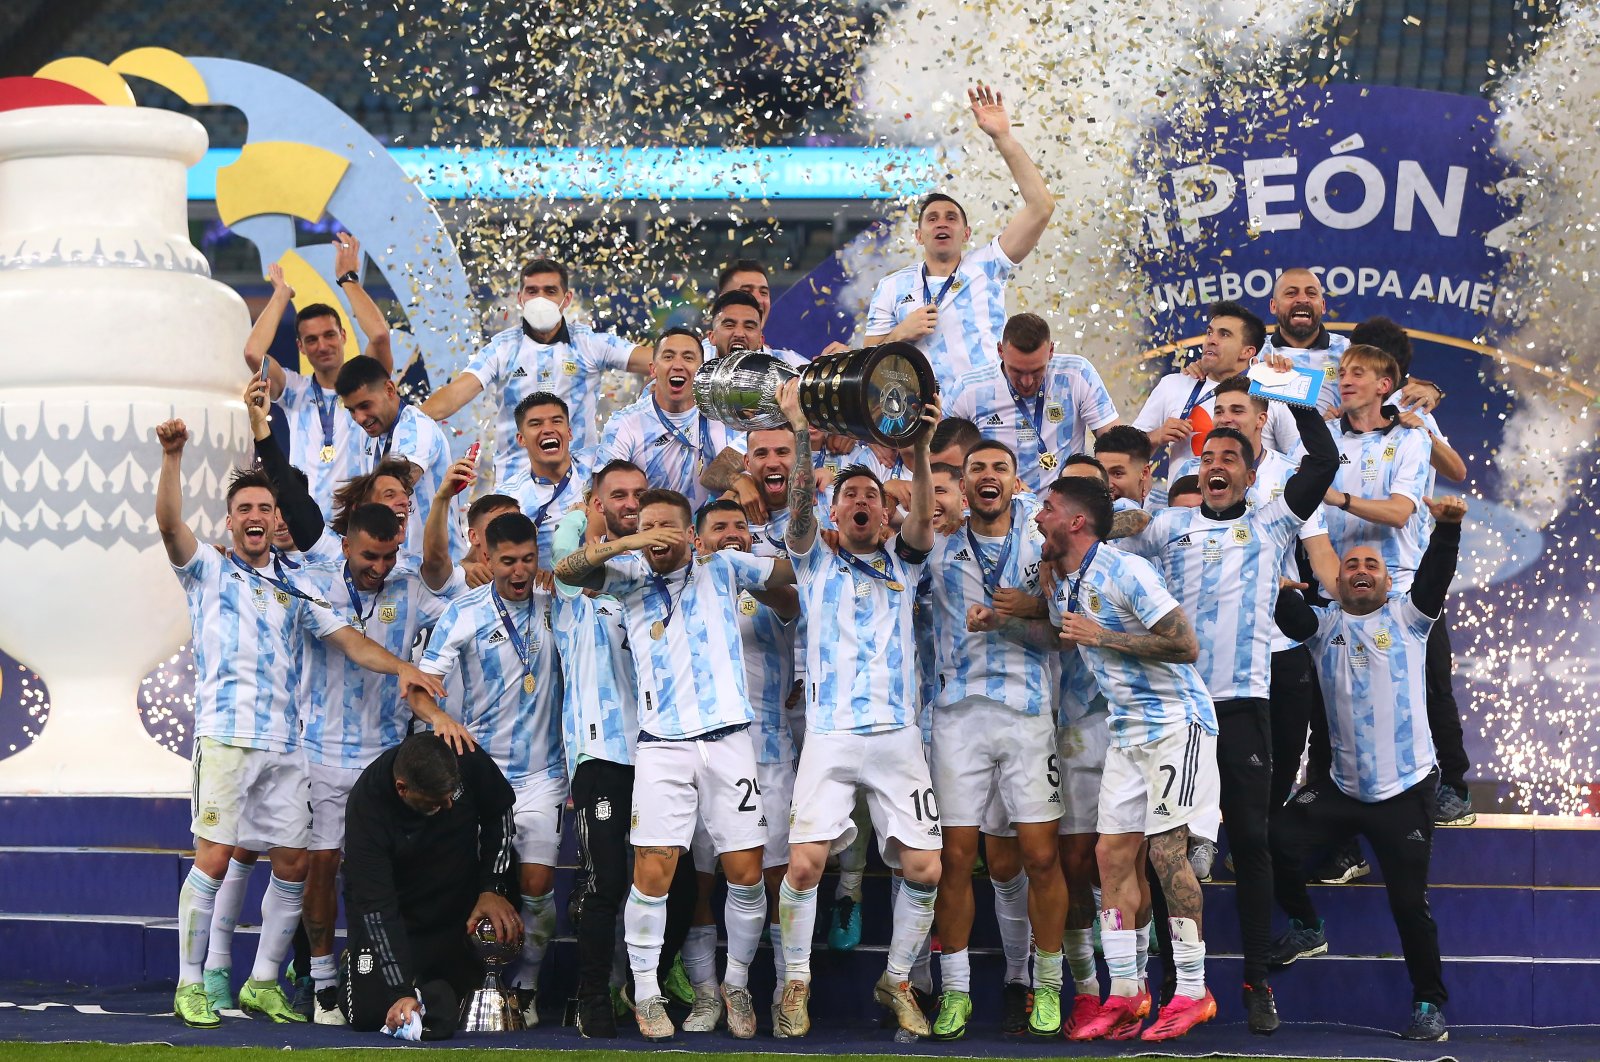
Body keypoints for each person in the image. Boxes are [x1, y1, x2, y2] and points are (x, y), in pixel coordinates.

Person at [155, 419, 443, 1030]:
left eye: (265, 505)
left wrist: (405, 669)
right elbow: (168, 525)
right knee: (213, 858)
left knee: (291, 861)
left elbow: (351, 642)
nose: (257, 515)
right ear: (232, 521)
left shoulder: (298, 588)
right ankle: (190, 984)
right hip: (228, 736)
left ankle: (262, 982)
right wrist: (173, 457)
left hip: (287, 745)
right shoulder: (207, 568)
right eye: (245, 508)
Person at [1114, 399, 1339, 1034]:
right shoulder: (1166, 527)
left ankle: (1257, 983)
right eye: (1207, 456)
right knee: (1167, 850)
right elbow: (1104, 525)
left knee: (1252, 840)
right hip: (1179, 711)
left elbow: (1321, 460)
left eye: (1229, 458)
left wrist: (1291, 399)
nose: (1215, 465)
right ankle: (1172, 986)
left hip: (1244, 706)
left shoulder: (1273, 525)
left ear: (1249, 472)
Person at [554, 488, 796, 1041]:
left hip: (731, 741)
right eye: (649, 526)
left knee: (746, 873)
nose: (659, 536)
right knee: (652, 872)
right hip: (661, 745)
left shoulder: (723, 568)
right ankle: (646, 994)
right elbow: (567, 574)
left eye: (669, 527)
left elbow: (791, 568)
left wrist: (799, 548)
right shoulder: (628, 579)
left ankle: (735, 983)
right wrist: (631, 541)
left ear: (691, 535)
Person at [771, 379, 942, 1040]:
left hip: (898, 738)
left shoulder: (907, 562)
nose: (862, 501)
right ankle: (794, 983)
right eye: (850, 496)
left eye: (871, 494)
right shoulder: (814, 565)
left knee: (925, 867)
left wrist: (922, 450)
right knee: (807, 863)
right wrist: (802, 439)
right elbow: (796, 518)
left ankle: (896, 977)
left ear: (885, 511)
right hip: (833, 737)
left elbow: (925, 521)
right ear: (836, 513)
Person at [1267, 495, 1469, 1043]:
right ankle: (1307, 926)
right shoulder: (1321, 626)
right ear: (1337, 580)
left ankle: (1429, 1004)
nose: (1359, 571)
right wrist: (1274, 582)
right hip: (1342, 789)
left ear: (1386, 580)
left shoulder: (1411, 617)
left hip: (1405, 790)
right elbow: (1284, 605)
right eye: (1350, 565)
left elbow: (1434, 573)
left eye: (1370, 566)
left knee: (1409, 904)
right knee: (1274, 836)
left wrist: (1447, 530)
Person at [1029, 477, 1220, 1042]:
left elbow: (1185, 645)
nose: (1038, 517)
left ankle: (1192, 990)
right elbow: (1060, 628)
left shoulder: (1125, 572)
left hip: (1175, 726)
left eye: (1047, 509)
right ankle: (1125, 992)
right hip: (1127, 734)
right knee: (1110, 856)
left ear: (1076, 522)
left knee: (1165, 853)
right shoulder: (1067, 579)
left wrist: (1104, 636)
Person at [927, 441, 1068, 1038]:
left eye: (999, 469)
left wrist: (1025, 611)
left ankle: (1049, 986)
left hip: (1029, 713)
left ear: (1017, 482)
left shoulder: (1044, 548)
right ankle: (955, 993)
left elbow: (1071, 628)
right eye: (976, 469)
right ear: (962, 485)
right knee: (955, 859)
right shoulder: (936, 552)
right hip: (958, 716)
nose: (988, 477)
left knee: (1039, 857)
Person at [408, 512, 566, 1026]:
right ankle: (463, 983)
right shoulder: (465, 609)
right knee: (464, 884)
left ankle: (525, 985)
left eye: (527, 560)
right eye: (507, 562)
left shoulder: (555, 600)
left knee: (538, 882)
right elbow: (417, 687)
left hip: (543, 771)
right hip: (480, 774)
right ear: (486, 560)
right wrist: (439, 720)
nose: (519, 572)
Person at [1346, 316, 1473, 828]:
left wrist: (1420, 425)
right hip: (1347, 576)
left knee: (1430, 679)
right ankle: (1341, 794)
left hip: (1411, 573)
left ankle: (1456, 786)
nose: (1351, 370)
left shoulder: (1411, 410)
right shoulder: (1339, 420)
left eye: (1368, 361)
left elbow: (1457, 470)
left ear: (1392, 376)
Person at [864, 83, 1056, 392]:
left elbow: (1041, 207)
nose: (942, 223)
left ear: (966, 234)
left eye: (952, 218)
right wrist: (900, 334)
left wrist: (1003, 138)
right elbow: (866, 362)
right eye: (932, 218)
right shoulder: (892, 287)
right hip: (926, 421)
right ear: (918, 235)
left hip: (992, 411)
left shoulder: (987, 264)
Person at [696, 498, 804, 1029]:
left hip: (770, 751)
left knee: (777, 872)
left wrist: (738, 568)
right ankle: (708, 989)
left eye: (741, 526)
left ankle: (785, 987)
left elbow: (791, 600)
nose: (733, 533)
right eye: (720, 528)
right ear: (699, 539)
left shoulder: (767, 586)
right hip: (703, 748)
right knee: (700, 877)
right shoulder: (687, 587)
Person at [549, 461, 647, 1037]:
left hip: (660, 749)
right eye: (617, 495)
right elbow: (572, 562)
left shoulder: (651, 573)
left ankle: (645, 986)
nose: (630, 502)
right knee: (604, 880)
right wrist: (613, 535)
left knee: (672, 881)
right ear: (594, 504)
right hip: (601, 752)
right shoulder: (572, 580)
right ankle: (591, 996)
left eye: (638, 494)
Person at [339, 733, 521, 1041]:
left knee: (457, 1011)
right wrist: (400, 991)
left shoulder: (464, 755)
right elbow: (377, 907)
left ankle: (432, 987)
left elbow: (500, 813)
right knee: (370, 1016)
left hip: (456, 906)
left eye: (452, 794)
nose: (450, 805)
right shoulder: (366, 808)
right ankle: (359, 963)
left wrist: (492, 887)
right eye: (436, 801)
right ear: (402, 789)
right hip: (397, 913)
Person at [419, 258, 652, 481]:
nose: (540, 299)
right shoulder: (502, 348)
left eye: (550, 291)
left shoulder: (590, 344)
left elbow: (659, 361)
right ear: (520, 298)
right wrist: (409, 421)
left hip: (579, 485)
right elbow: (456, 394)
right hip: (515, 486)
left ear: (567, 298)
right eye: (532, 291)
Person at [242, 238, 394, 522]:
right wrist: (281, 295)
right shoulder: (294, 389)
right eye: (311, 340)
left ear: (343, 336)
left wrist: (348, 279)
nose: (322, 346)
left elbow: (380, 336)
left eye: (329, 335)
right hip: (305, 527)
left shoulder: (366, 383)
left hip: (359, 523)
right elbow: (253, 352)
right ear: (300, 347)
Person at [1134, 301, 1297, 507]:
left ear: (1247, 352)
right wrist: (1156, 436)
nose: (1211, 340)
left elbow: (1298, 459)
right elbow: (1125, 453)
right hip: (1185, 522)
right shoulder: (1173, 385)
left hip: (1254, 519)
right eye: (1210, 333)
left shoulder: (1272, 392)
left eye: (1224, 334)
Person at [946, 313, 1120, 493]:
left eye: (1037, 371)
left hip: (1066, 507)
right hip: (998, 508)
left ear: (1051, 351)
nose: (1027, 382)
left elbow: (1115, 443)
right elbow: (938, 453)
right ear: (1000, 351)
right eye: (1017, 371)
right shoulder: (969, 389)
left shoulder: (1077, 374)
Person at [596, 328, 743, 511]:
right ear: (653, 369)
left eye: (688, 358)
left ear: (702, 370)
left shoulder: (729, 419)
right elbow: (604, 497)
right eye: (668, 357)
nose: (678, 365)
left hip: (710, 534)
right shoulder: (624, 424)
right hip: (647, 533)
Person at [336, 355, 455, 557]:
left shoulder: (416, 428)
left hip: (436, 568)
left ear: (389, 390)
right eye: (352, 411)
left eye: (365, 406)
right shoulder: (368, 433)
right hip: (395, 563)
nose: (359, 418)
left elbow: (395, 486)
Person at [497, 392, 592, 568]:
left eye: (556, 421)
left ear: (569, 432)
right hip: (544, 590)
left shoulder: (596, 464)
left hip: (603, 587)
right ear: (521, 439)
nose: (548, 429)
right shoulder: (508, 496)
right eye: (536, 424)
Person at [705, 288, 809, 369]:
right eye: (729, 325)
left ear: (761, 340)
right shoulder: (694, 364)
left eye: (749, 327)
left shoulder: (788, 365)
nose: (739, 333)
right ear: (712, 337)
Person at [1094, 427, 1156, 510]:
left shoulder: (1165, 517)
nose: (1108, 484)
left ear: (1144, 473)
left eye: (1117, 474)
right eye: (1101, 474)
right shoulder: (1082, 514)